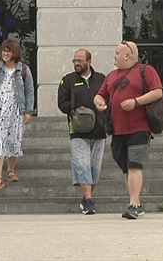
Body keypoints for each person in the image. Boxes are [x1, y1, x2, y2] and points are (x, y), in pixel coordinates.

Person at [94, 41, 163, 219]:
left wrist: (136, 102)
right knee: (126, 168)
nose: (114, 55)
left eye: (117, 52)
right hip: (117, 129)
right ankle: (137, 202)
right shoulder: (111, 75)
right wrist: (99, 101)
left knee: (134, 165)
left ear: (127, 55)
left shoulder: (146, 71)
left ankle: (133, 204)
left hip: (138, 127)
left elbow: (158, 92)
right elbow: (100, 94)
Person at [0, 39, 34, 191]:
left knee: (14, 140)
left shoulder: (23, 70)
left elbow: (29, 91)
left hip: (16, 110)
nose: (5, 53)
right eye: (4, 50)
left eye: (9, 50)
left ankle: (10, 170)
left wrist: (28, 111)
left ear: (15, 52)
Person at [57, 48, 106, 215]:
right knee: (83, 165)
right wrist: (75, 108)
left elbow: (109, 98)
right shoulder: (68, 80)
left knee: (94, 169)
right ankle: (90, 201)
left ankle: (87, 198)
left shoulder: (101, 79)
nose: (77, 63)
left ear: (89, 61)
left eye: (80, 60)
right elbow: (61, 103)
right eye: (74, 61)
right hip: (78, 130)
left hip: (99, 130)